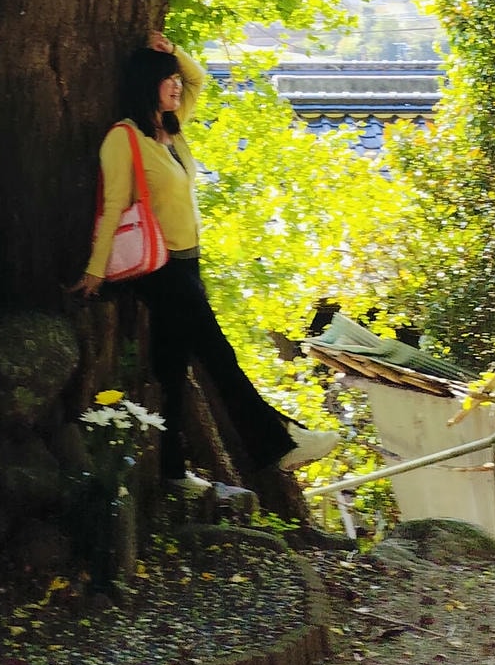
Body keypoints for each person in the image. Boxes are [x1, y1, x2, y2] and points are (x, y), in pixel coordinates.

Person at [74, 32, 335, 497]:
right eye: (166, 80)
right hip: (160, 268)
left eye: (175, 80)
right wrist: (95, 271)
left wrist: (172, 52)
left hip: (188, 263)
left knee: (173, 367)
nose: (176, 85)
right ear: (145, 84)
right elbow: (112, 206)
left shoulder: (171, 132)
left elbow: (199, 80)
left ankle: (172, 471)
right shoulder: (124, 138)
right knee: (217, 352)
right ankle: (275, 444)